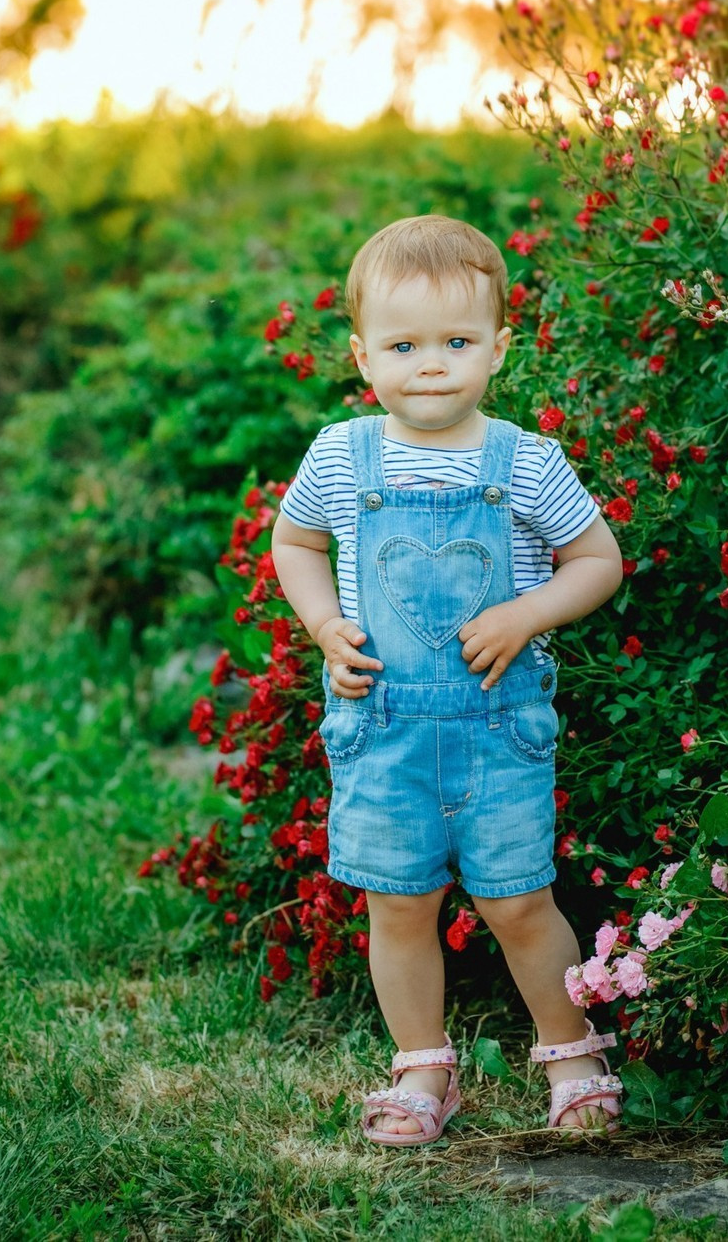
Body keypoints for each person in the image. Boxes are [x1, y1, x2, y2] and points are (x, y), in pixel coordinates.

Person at [270, 214, 627, 1147]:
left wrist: (526, 611)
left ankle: (570, 1047)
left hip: (497, 726)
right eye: (404, 344)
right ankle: (423, 1065)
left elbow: (597, 558)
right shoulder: (342, 458)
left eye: (457, 341)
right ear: (363, 355)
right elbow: (297, 540)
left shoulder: (526, 462)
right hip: (381, 723)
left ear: (498, 349)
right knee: (400, 903)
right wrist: (321, 623)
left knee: (517, 899)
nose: (431, 364)